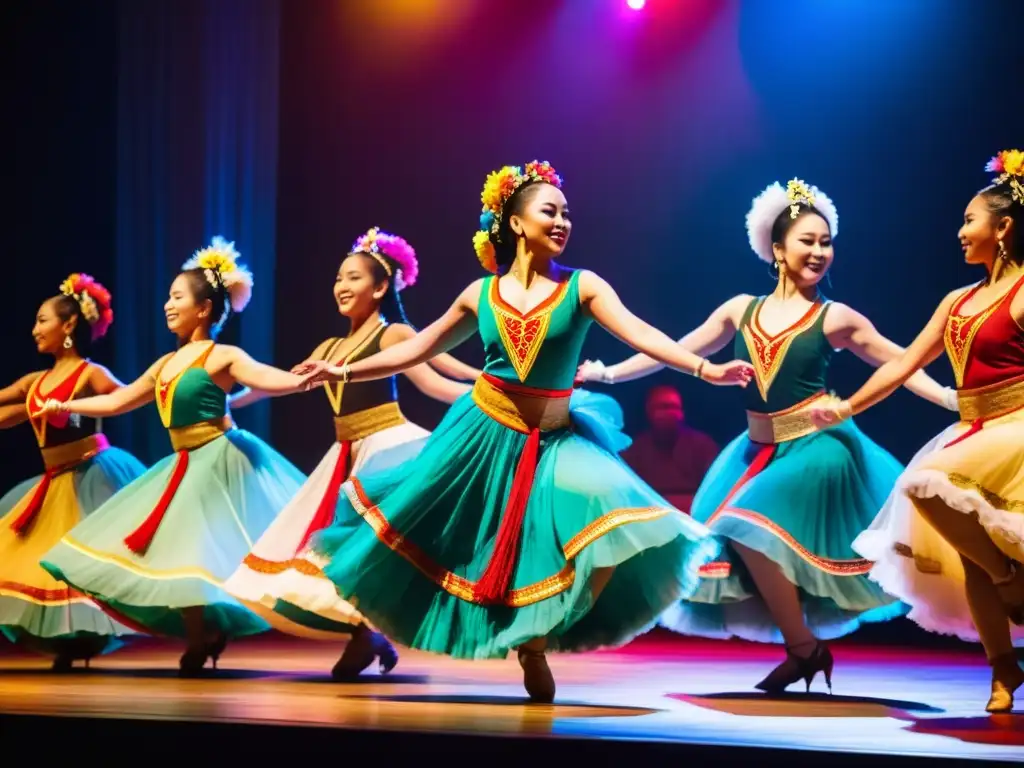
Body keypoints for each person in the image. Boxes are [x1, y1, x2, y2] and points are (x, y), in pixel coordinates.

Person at [295, 160, 754, 702]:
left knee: (614, 511)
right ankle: (469, 640)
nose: (562, 222)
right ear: (515, 223)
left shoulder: (582, 287)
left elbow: (642, 333)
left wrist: (705, 369)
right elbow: (416, 349)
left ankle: (538, 637)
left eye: (566, 214)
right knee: (451, 538)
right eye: (549, 211)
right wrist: (342, 369)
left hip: (558, 436)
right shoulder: (480, 294)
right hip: (484, 433)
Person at [580, 178, 958, 693]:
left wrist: (946, 399)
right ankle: (803, 649)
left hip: (817, 447)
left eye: (826, 242)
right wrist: (608, 375)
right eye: (807, 240)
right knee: (730, 539)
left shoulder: (834, 317)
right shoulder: (741, 309)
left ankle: (803, 648)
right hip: (754, 449)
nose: (819, 251)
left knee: (744, 525)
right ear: (777, 249)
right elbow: (671, 350)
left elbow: (902, 361)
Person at [38, 238, 312, 677]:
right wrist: (66, 406)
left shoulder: (222, 355)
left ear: (203, 309)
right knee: (182, 551)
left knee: (254, 549)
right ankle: (200, 636)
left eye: (178, 297)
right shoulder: (165, 363)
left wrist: (304, 380)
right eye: (168, 296)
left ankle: (353, 629)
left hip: (223, 459)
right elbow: (117, 402)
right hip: (184, 465)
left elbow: (263, 377)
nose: (168, 304)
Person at [813, 150, 1024, 712]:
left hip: (1016, 430)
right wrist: (848, 405)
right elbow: (904, 363)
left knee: (934, 488)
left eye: (969, 220)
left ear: (1003, 228)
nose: (959, 232)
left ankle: (1009, 585)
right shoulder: (957, 301)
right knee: (968, 547)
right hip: (972, 429)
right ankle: (1004, 666)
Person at [223, 227, 479, 679]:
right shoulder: (328, 349)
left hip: (388, 448)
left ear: (381, 287)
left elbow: (434, 381)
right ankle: (367, 634)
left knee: (373, 549)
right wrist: (229, 399)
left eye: (354, 277)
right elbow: (282, 384)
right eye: (339, 277)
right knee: (335, 556)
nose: (342, 285)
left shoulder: (393, 333)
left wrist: (491, 396)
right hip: (346, 452)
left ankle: (367, 636)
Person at [0, 274, 144, 669]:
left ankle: (81, 639)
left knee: (82, 558)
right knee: (36, 560)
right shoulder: (36, 381)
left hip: (92, 475)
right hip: (53, 480)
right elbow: (7, 410)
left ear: (68, 325)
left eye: (42, 320)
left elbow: (129, 397)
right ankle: (67, 641)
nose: (35, 329)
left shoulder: (90, 373)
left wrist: (75, 410)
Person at [620, 385, 718, 512]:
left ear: (682, 413)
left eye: (674, 407)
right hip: (648, 513)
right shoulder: (635, 449)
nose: (670, 413)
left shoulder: (703, 445)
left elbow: (715, 491)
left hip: (693, 514)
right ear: (649, 411)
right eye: (663, 407)